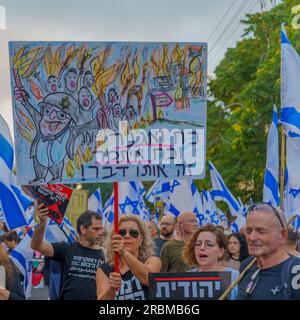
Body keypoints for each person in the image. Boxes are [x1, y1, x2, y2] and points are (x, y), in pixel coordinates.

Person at [31, 203, 106, 300]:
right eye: (96, 229)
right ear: (83, 229)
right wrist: (42, 223)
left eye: (101, 229)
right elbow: (36, 245)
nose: (100, 233)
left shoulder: (104, 254)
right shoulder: (67, 249)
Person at [237, 203, 300, 300]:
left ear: (282, 235)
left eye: (261, 231)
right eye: (249, 231)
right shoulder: (246, 265)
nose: (252, 237)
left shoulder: (296, 271)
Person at [96, 215, 161, 300]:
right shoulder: (104, 270)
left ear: (141, 239)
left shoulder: (152, 261)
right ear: (114, 238)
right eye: (122, 233)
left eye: (133, 233)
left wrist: (124, 252)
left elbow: (148, 279)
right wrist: (111, 289)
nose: (127, 236)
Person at [182, 224, 239, 300]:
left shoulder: (235, 277)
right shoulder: (187, 277)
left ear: (221, 252)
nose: (202, 248)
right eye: (198, 244)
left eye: (209, 244)